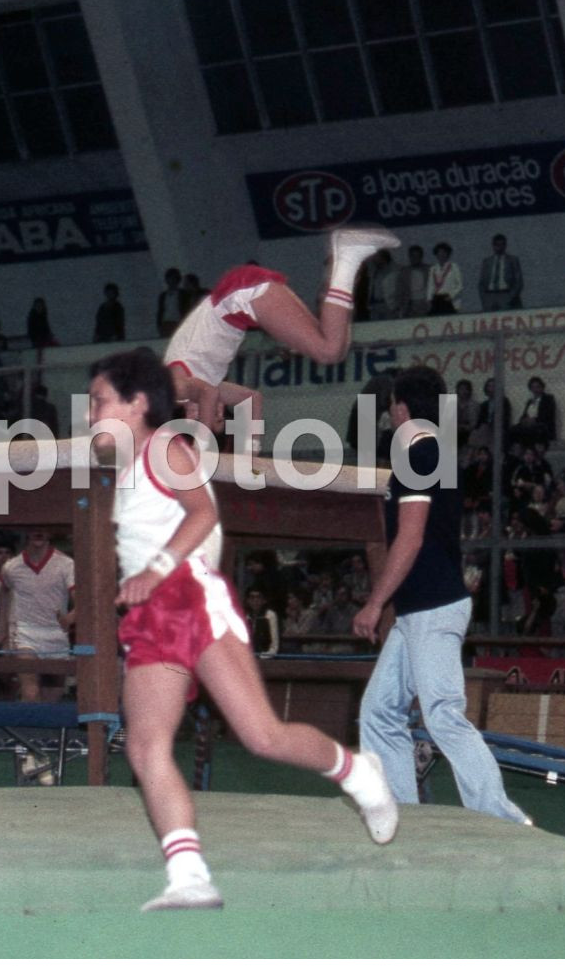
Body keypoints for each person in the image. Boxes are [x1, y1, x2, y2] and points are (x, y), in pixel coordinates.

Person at [85, 346, 396, 911]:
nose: (89, 414)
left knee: (261, 737)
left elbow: (204, 514)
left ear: (135, 404)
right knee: (146, 744)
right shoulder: (127, 466)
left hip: (190, 597)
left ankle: (357, 770)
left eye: (99, 401)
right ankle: (189, 877)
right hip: (152, 616)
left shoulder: (165, 447)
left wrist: (154, 572)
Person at [354, 365, 530, 825]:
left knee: (443, 715)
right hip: (421, 608)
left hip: (432, 606)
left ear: (401, 407)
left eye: (392, 405)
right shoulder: (436, 453)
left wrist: (375, 603)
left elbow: (409, 539)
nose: (390, 414)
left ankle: (501, 819)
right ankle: (402, 812)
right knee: (378, 711)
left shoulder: (420, 453)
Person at [163, 226, 397, 443]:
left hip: (237, 296)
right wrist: (250, 455)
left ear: (191, 416)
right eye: (222, 418)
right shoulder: (204, 385)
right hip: (241, 302)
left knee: (328, 350)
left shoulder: (177, 390)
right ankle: (345, 264)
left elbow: (208, 394)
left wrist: (201, 448)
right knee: (336, 349)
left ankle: (347, 257)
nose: (221, 411)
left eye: (216, 418)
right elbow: (251, 399)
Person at [0, 530, 75, 702]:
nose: (39, 532)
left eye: (43, 529)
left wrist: (69, 618)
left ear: (49, 533)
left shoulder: (66, 564)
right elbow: (3, 593)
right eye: (34, 528)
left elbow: (82, 600)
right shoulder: (11, 567)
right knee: (31, 692)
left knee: (52, 698)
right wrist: (4, 629)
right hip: (26, 634)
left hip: (57, 634)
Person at [477, 234, 523, 311]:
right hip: (489, 296)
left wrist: (510, 296)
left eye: (502, 244)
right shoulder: (487, 261)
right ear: (493, 246)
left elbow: (518, 281)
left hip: (505, 294)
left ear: (505, 245)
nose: (500, 247)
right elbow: (481, 282)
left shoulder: (512, 260)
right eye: (497, 245)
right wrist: (484, 298)